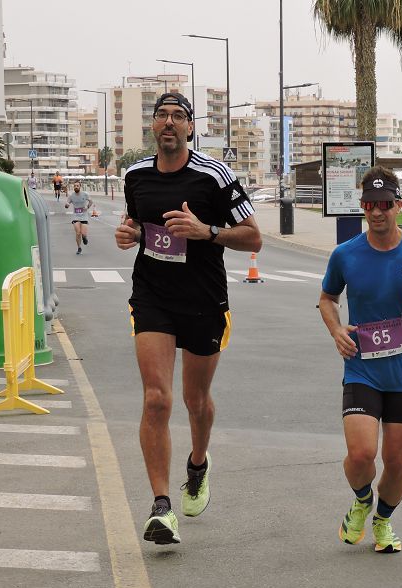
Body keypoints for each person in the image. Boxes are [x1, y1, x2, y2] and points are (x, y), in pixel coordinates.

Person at [114, 92, 261, 546]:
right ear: (153, 127)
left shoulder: (213, 176)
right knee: (157, 399)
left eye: (179, 116)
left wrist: (206, 232)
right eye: (162, 116)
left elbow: (254, 236)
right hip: (153, 297)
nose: (170, 123)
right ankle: (161, 507)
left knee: (196, 401)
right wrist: (129, 233)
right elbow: (137, 223)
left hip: (204, 300)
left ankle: (198, 463)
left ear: (191, 127)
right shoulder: (135, 176)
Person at [319, 166, 402, 554]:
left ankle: (384, 519)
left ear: (399, 206)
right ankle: (361, 501)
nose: (378, 212)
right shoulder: (345, 254)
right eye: (371, 205)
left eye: (386, 205)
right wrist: (337, 330)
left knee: (397, 461)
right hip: (362, 368)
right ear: (362, 207)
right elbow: (327, 298)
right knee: (360, 455)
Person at [64, 181, 93, 255]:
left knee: (83, 233)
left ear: (80, 187)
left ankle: (84, 237)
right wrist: (66, 205)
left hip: (84, 216)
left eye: (77, 186)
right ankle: (79, 248)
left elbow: (91, 201)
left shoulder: (85, 194)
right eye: (75, 186)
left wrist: (87, 207)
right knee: (78, 232)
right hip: (76, 216)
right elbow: (67, 203)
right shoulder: (71, 196)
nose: (76, 187)